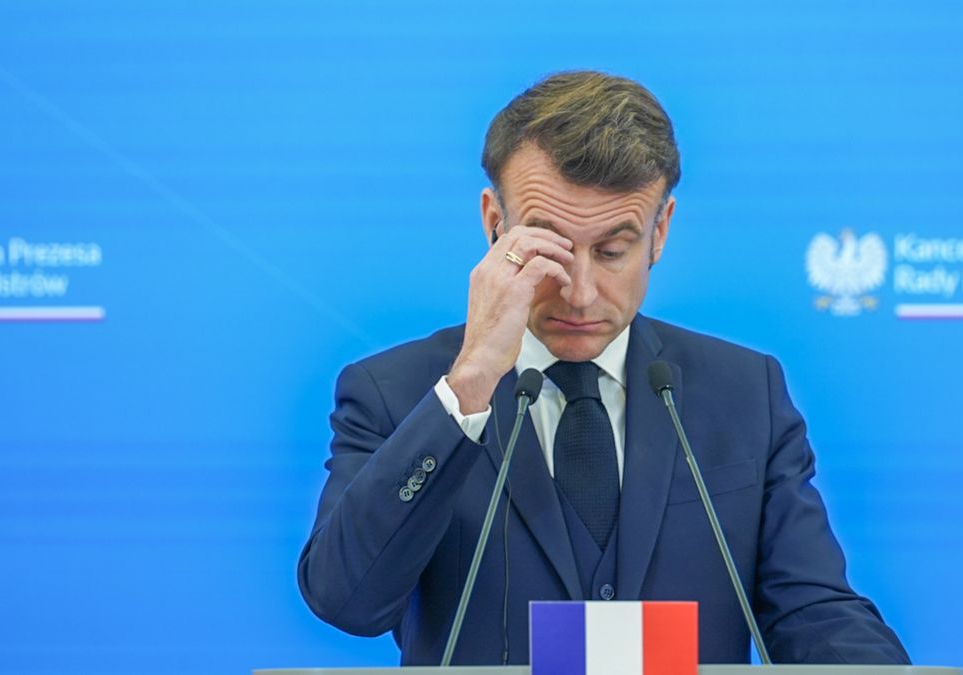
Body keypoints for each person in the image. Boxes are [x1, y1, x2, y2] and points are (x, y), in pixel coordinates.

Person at [298, 70, 909, 666]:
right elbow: (346, 600)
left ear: (660, 232)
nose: (581, 293)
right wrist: (471, 384)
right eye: (550, 250)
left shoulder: (745, 392)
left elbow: (810, 612)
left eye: (612, 251)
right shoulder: (395, 394)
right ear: (494, 226)